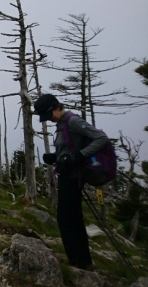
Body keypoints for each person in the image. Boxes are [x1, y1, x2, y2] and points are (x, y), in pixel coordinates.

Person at [34, 94, 108, 271]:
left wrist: (79, 156)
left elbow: (101, 138)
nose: (48, 119)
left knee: (65, 218)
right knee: (73, 218)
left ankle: (76, 261)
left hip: (73, 177)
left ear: (55, 107)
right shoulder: (61, 124)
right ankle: (82, 260)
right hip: (68, 174)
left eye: (49, 114)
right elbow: (68, 148)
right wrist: (56, 157)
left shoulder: (72, 120)